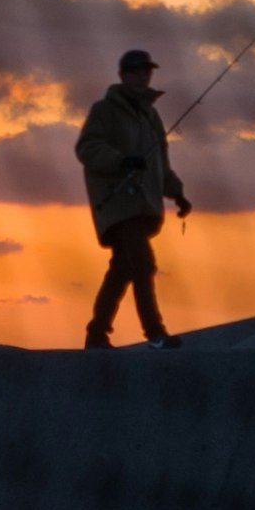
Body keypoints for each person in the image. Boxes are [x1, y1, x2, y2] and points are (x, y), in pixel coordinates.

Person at [76, 47, 193, 347]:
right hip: (118, 206)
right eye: (136, 72)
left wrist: (177, 194)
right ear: (123, 75)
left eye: (146, 72)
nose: (143, 77)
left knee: (122, 269)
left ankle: (96, 333)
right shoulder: (104, 110)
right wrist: (121, 160)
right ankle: (154, 333)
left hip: (144, 207)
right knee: (143, 264)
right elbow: (87, 148)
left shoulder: (151, 116)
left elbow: (159, 163)